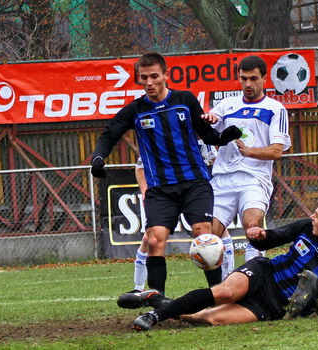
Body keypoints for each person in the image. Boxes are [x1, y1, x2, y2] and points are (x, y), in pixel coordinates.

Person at [90, 52, 242, 297]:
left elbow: (208, 134)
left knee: (204, 234)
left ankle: (216, 295)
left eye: (154, 76)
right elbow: (110, 133)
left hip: (194, 182)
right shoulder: (136, 110)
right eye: (143, 78)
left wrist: (226, 136)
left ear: (166, 76)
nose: (149, 82)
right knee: (154, 240)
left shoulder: (185, 100)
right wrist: (98, 157)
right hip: (161, 189)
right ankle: (156, 297)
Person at [129, 197, 318, 331]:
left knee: (210, 318)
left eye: (317, 215)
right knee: (224, 293)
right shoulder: (305, 228)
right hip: (264, 273)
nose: (312, 216)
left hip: (275, 305)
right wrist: (261, 236)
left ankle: (160, 301)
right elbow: (273, 240)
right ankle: (155, 316)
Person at [202, 55, 291, 278]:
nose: (248, 84)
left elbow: (277, 150)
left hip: (254, 179)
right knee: (209, 238)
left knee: (252, 227)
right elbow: (211, 130)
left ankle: (256, 284)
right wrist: (210, 119)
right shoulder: (227, 105)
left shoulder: (275, 109)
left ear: (264, 78)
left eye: (253, 79)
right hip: (222, 179)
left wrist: (250, 152)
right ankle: (221, 289)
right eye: (243, 79)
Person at [127, 142, 219, 293]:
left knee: (207, 236)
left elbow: (215, 161)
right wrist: (144, 191)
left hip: (194, 189)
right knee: (150, 239)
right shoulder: (156, 139)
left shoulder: (198, 140)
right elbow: (140, 168)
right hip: (164, 192)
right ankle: (140, 289)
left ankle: (219, 291)